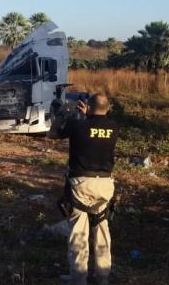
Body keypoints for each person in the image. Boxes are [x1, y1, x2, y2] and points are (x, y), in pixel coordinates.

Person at [48, 92, 119, 285]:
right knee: (102, 229)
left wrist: (61, 115)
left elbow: (53, 133)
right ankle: (103, 277)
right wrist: (89, 114)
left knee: (79, 232)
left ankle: (79, 278)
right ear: (108, 108)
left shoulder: (77, 125)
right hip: (105, 186)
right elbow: (97, 128)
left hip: (81, 185)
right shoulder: (114, 127)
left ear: (87, 105)